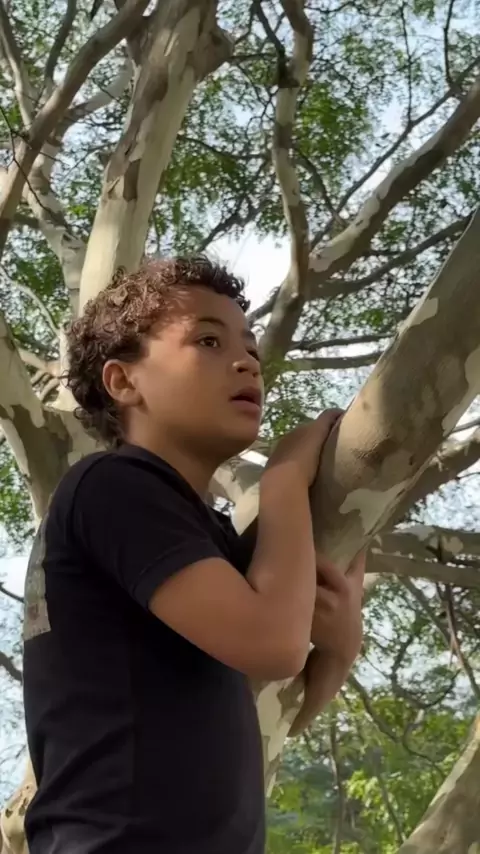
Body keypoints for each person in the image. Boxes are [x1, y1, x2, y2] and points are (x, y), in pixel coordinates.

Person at [22, 256, 364, 854]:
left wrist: (337, 652)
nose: (247, 361)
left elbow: (260, 718)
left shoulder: (209, 540)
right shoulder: (112, 485)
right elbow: (275, 647)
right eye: (208, 340)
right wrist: (284, 478)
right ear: (123, 382)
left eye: (251, 348)